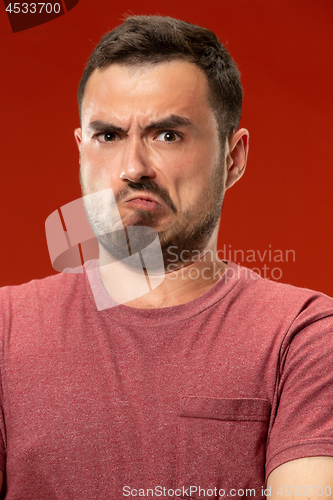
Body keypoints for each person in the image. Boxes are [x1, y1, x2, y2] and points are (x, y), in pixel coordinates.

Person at [0, 14, 332, 500]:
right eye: (108, 136)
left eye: (168, 135)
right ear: (80, 150)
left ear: (232, 158)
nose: (133, 168)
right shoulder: (5, 330)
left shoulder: (303, 336)